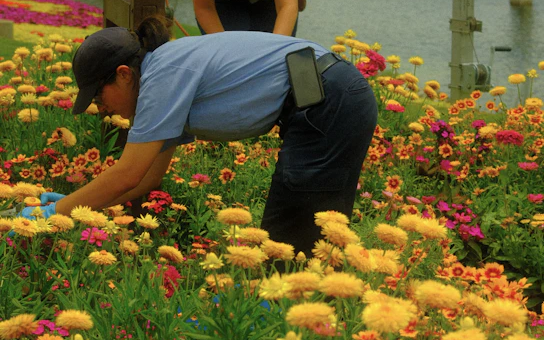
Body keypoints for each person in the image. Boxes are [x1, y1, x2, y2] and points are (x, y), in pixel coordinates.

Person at [23, 17, 378, 255]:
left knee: (289, 241)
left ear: (122, 75)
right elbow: (147, 178)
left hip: (327, 98)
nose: (100, 108)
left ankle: (303, 335)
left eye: (98, 95)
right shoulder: (159, 73)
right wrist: (76, 206)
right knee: (305, 236)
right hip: (323, 94)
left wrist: (54, 213)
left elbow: (127, 175)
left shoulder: (162, 76)